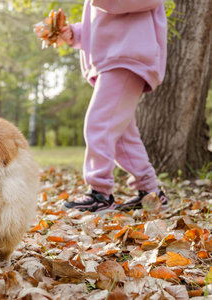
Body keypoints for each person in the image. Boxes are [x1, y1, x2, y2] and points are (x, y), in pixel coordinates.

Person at [57, 0, 168, 212]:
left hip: (128, 56)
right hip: (116, 57)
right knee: (123, 136)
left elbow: (116, 4)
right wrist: (75, 34)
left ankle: (100, 193)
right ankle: (151, 192)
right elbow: (99, 22)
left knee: (99, 123)